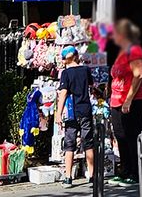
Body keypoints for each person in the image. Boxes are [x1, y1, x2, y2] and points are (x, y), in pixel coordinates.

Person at [108, 19, 142, 184]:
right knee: (120, 136)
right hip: (116, 100)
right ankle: (124, 170)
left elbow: (138, 75)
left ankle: (134, 172)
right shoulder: (121, 52)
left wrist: (128, 100)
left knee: (131, 136)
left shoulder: (135, 50)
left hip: (132, 100)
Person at [55, 46, 95, 187]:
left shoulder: (66, 73)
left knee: (70, 144)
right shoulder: (85, 70)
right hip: (85, 109)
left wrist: (58, 114)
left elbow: (63, 93)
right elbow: (91, 85)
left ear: (67, 59)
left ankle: (68, 177)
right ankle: (91, 175)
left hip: (72, 112)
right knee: (88, 142)